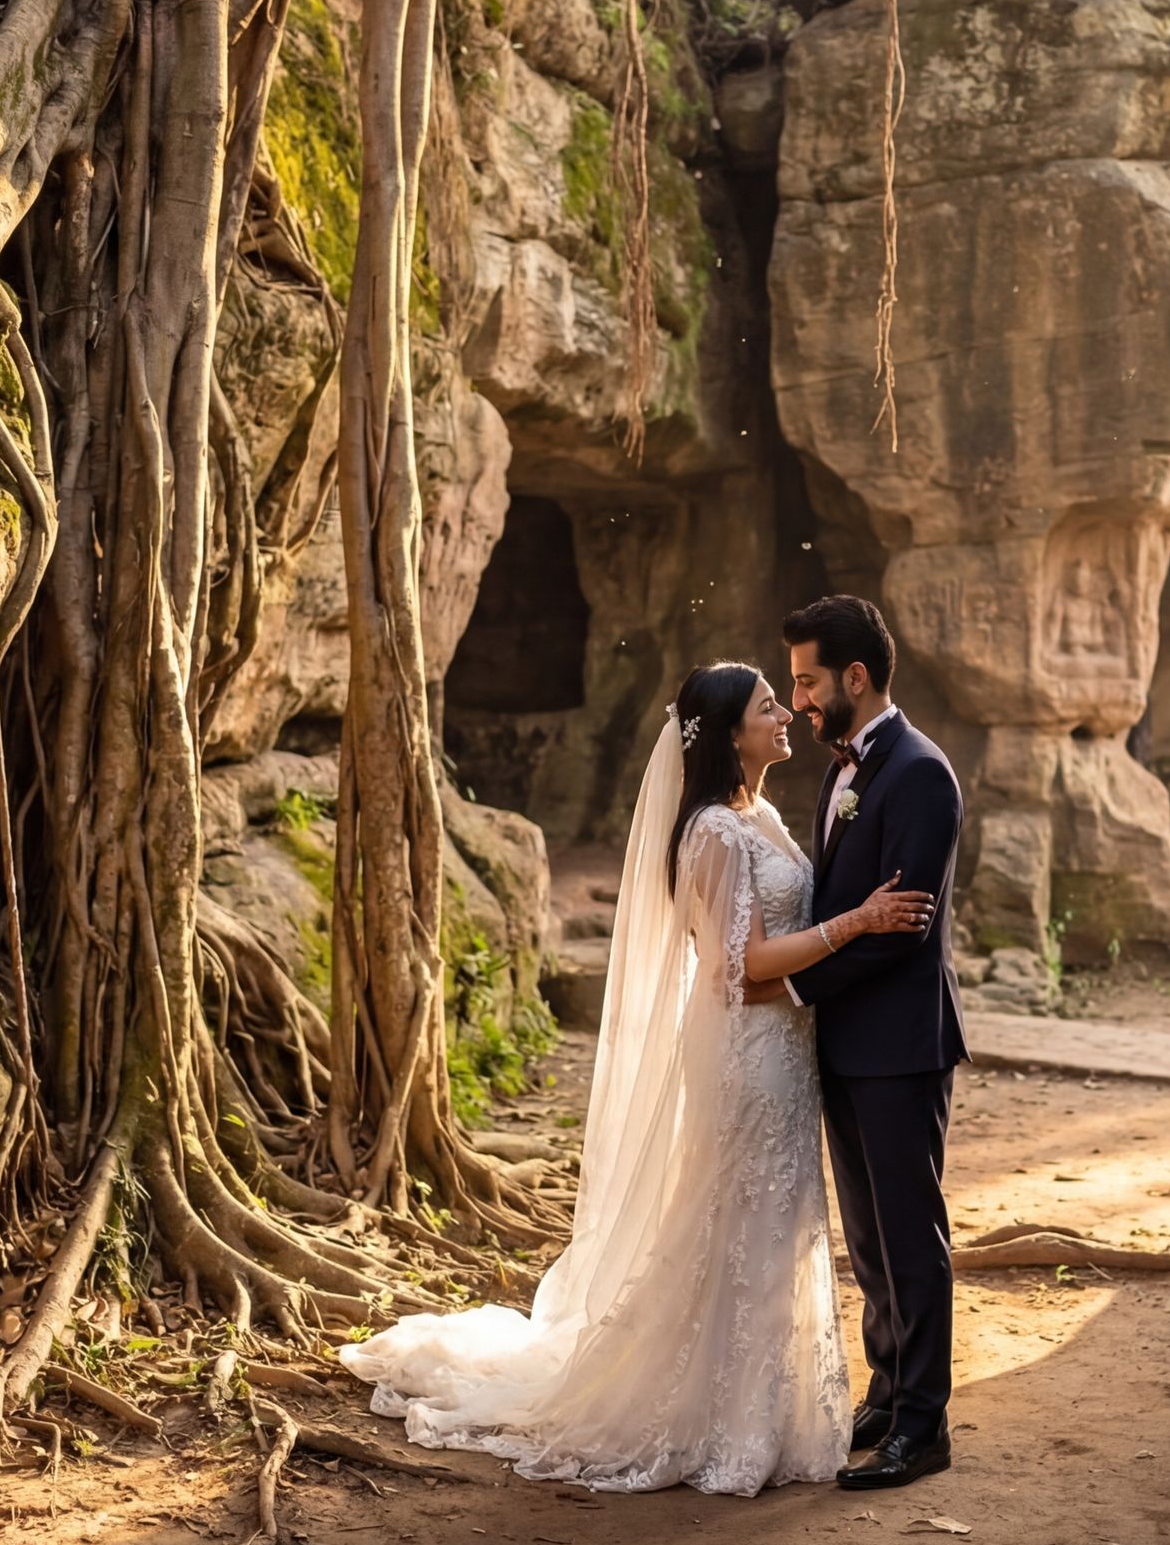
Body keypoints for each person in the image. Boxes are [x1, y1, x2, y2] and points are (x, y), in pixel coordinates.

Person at [339, 661, 934, 1494]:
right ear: (731, 734)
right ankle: (721, 1420)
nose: (788, 712)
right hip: (748, 1053)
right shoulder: (713, 834)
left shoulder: (757, 812)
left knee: (768, 1225)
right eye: (771, 705)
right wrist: (860, 919)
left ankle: (765, 1411)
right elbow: (742, 968)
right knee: (739, 1226)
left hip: (785, 1051)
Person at [781, 594, 968, 1490]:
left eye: (809, 681)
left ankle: (924, 1425)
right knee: (869, 1235)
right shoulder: (844, 769)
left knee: (909, 1230)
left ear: (857, 677)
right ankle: (889, 1393)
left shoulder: (921, 774)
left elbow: (902, 932)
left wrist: (799, 979)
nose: (801, 700)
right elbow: (843, 901)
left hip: (900, 1044)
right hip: (847, 1046)